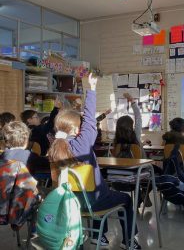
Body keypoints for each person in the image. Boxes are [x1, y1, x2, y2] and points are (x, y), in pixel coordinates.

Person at [48, 74, 141, 249]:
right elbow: (90, 121)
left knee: (99, 190)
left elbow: (89, 123)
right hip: (91, 202)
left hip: (69, 202)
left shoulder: (54, 147)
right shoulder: (81, 145)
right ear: (76, 129)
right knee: (124, 199)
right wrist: (91, 89)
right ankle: (129, 242)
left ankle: (99, 237)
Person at [114, 93, 149, 158]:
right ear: (130, 127)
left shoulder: (117, 144)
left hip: (123, 168)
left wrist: (141, 144)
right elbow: (138, 116)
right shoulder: (136, 136)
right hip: (140, 167)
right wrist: (131, 100)